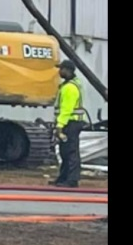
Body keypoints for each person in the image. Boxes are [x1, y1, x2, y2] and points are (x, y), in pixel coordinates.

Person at [52, 59, 88, 188]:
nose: (59, 71)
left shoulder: (69, 88)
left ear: (68, 70)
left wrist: (60, 126)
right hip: (71, 123)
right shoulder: (73, 84)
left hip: (70, 123)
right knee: (65, 151)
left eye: (61, 69)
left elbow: (66, 109)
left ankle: (71, 180)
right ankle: (63, 178)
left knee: (70, 152)